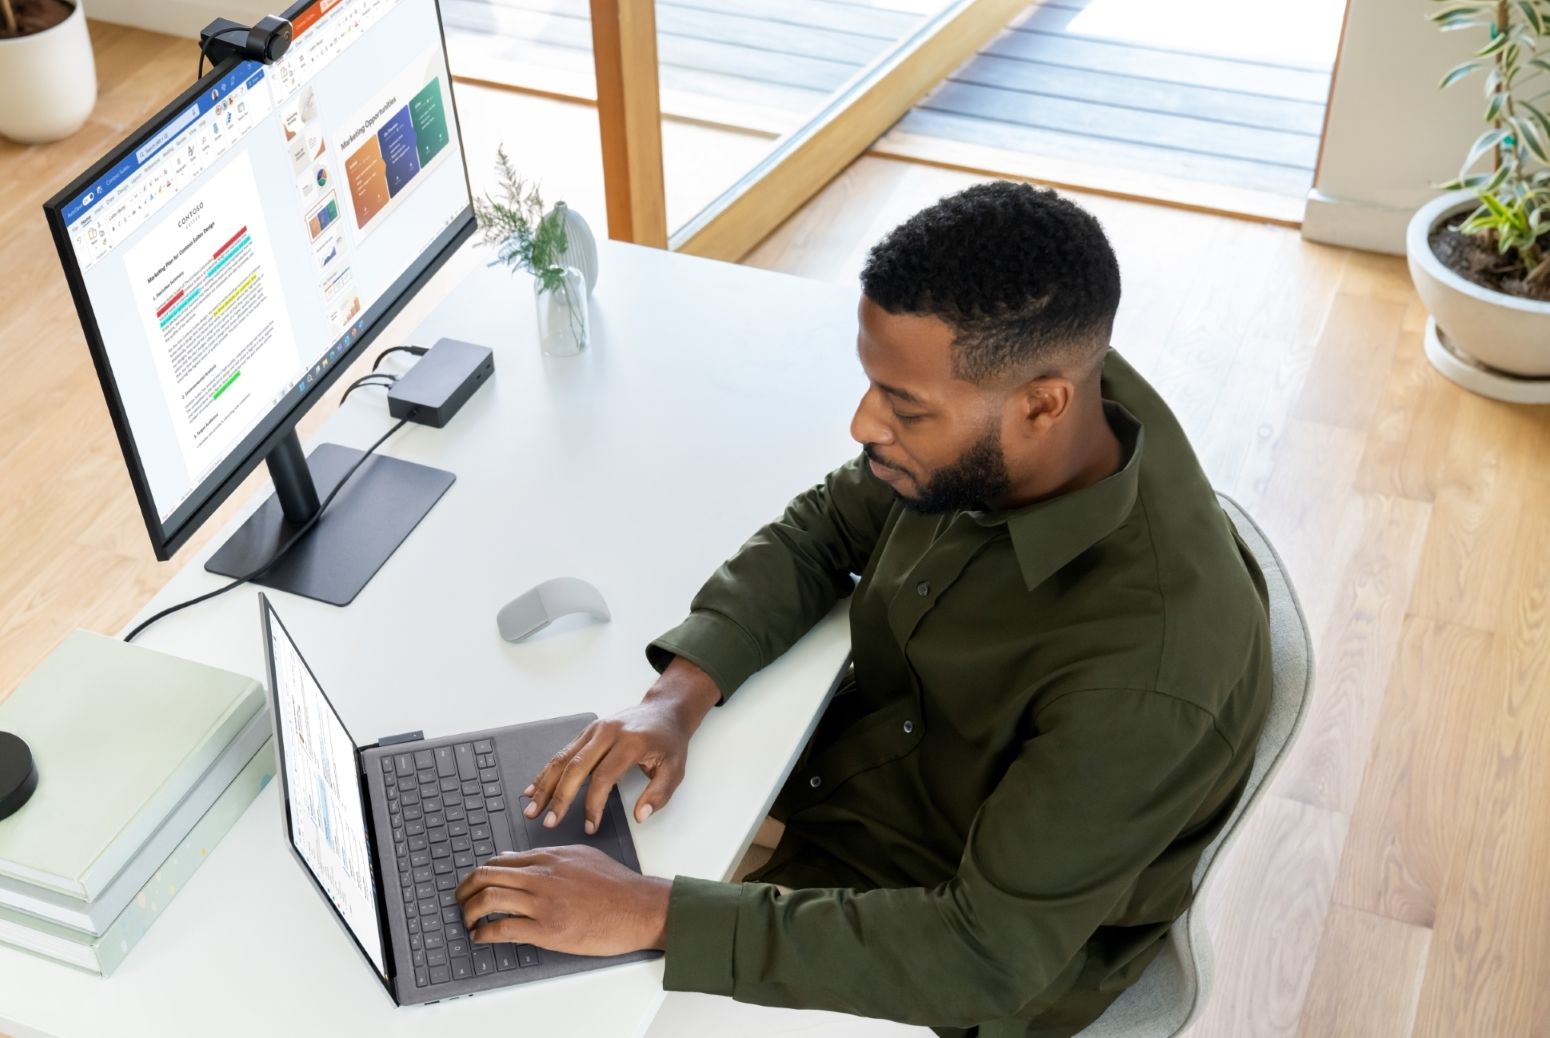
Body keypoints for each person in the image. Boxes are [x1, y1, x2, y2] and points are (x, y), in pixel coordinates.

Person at [455, 181, 1273, 1037]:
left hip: (945, 945)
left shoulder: (1144, 675)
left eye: (905, 407)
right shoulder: (1026, 423)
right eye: (873, 385)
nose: (862, 423)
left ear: (1042, 404)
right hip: (857, 795)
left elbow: (982, 958)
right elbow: (830, 527)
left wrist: (655, 914)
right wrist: (676, 698)